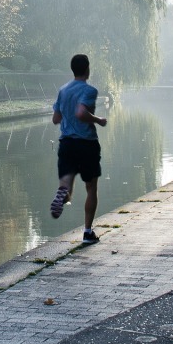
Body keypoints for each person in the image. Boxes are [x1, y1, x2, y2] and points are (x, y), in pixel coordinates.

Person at [49, 54, 107, 244]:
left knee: (66, 185)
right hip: (86, 143)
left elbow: (56, 119)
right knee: (91, 187)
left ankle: (62, 194)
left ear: (73, 69)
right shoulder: (89, 90)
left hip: (66, 143)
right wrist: (98, 120)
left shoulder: (63, 90)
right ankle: (88, 232)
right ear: (87, 69)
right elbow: (81, 112)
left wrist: (67, 115)